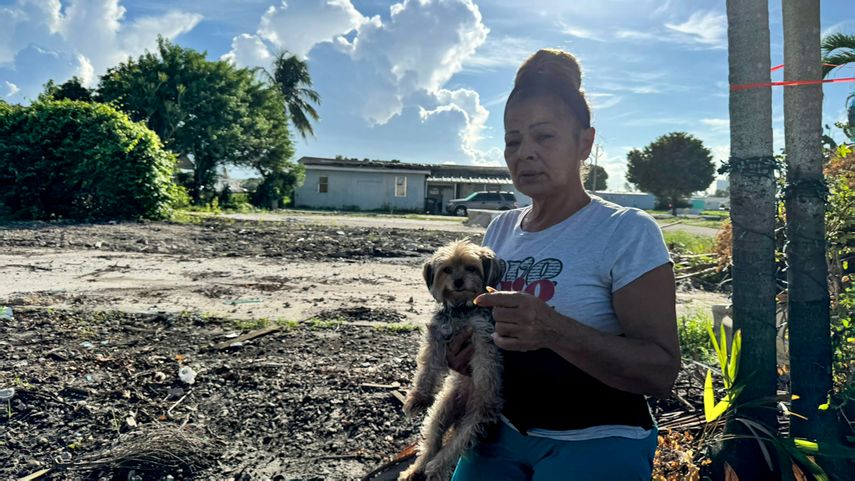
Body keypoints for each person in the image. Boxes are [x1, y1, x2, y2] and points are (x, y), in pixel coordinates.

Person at [447, 49, 681, 480]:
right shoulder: (499, 230)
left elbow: (661, 371)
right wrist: (467, 353)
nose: (525, 154)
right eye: (513, 140)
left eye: (544, 137)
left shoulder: (626, 231)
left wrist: (553, 330)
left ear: (585, 143)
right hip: (500, 433)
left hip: (599, 436)